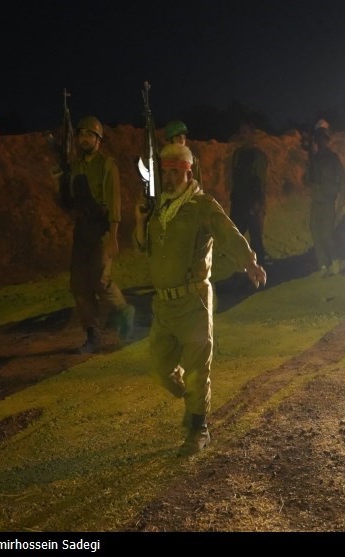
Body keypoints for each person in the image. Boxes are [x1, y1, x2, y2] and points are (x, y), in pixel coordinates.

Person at [133, 143, 267, 457]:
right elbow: (141, 249)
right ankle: (192, 402)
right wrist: (139, 219)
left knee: (197, 369)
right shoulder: (158, 209)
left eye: (175, 172)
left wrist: (249, 262)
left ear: (187, 172)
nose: (168, 178)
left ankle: (198, 428)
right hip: (163, 305)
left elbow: (227, 233)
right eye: (164, 172)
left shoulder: (200, 205)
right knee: (158, 367)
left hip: (193, 301)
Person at [59, 115, 135, 354]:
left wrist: (113, 235)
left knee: (100, 280)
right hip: (82, 231)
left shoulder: (106, 165)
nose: (84, 139)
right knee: (79, 284)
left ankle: (123, 310)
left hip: (102, 229)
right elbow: (67, 203)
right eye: (81, 134)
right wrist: (57, 181)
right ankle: (92, 334)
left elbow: (114, 202)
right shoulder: (76, 167)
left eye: (89, 135)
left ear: (98, 139)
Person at [305, 126, 345, 277]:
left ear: (326, 140)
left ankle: (335, 259)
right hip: (316, 200)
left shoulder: (333, 158)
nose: (321, 142)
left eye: (323, 139)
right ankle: (322, 264)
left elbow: (342, 178)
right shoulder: (313, 160)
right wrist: (308, 166)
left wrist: (342, 197)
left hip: (328, 200)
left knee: (327, 234)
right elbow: (307, 180)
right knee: (316, 232)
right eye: (318, 139)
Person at [229, 120, 269, 262]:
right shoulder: (237, 154)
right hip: (239, 202)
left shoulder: (258, 156)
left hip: (253, 204)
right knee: (236, 237)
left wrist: (259, 204)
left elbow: (261, 181)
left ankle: (260, 269)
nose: (242, 135)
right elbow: (233, 178)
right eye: (241, 132)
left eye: (245, 132)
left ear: (252, 134)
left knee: (255, 239)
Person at [163, 119, 203, 187]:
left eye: (183, 138)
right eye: (178, 138)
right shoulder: (162, 160)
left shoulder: (193, 160)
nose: (182, 141)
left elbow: (198, 187)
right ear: (170, 140)